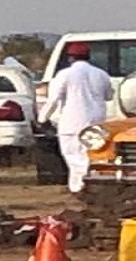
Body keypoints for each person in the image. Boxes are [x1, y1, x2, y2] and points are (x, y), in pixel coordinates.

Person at [37, 41, 113, 193]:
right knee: (94, 155)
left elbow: (53, 100)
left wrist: (42, 119)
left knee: (73, 156)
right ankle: (94, 185)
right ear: (88, 56)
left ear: (70, 58)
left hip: (72, 122)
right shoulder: (101, 74)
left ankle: (79, 187)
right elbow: (109, 96)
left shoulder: (64, 74)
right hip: (97, 122)